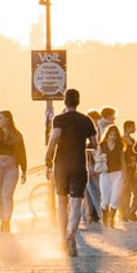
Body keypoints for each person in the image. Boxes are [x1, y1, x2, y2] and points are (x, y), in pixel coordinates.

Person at [47, 88, 97, 255]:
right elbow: (94, 144)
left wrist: (48, 155)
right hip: (78, 165)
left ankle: (62, 239)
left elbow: (55, 137)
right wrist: (81, 142)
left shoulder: (59, 119)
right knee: (76, 203)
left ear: (65, 101)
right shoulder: (86, 120)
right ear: (78, 101)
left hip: (61, 165)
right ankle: (71, 236)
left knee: (62, 202)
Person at [0, 111, 27, 233]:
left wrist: (24, 170)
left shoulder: (17, 135)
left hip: (11, 166)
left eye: (1, 118)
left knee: (7, 195)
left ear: (8, 119)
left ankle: (7, 220)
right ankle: (2, 219)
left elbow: (22, 153)